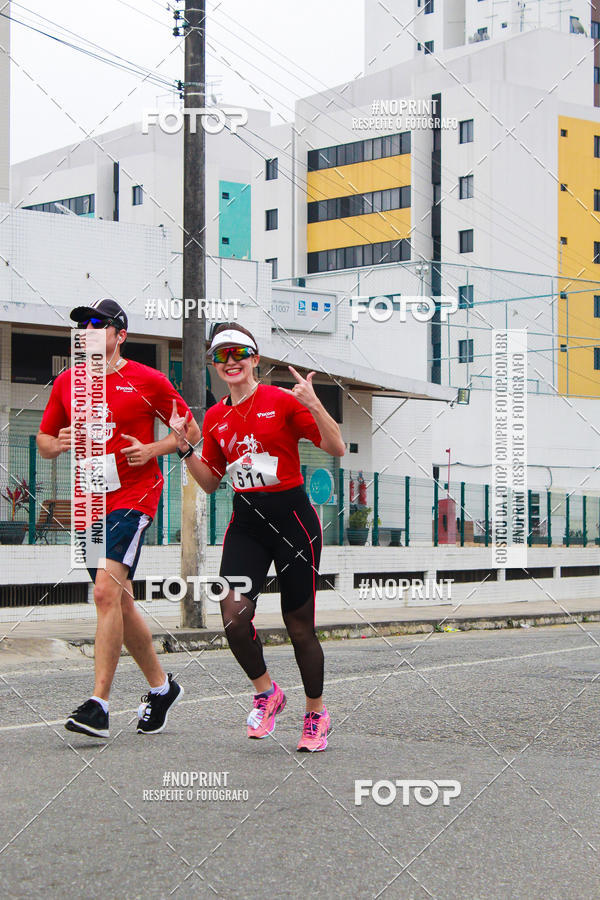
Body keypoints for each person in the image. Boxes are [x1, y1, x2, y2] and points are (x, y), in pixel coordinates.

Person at [170, 323, 345, 751]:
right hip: (246, 522)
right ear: (215, 365)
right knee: (232, 614)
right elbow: (211, 481)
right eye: (221, 356)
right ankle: (267, 693)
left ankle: (315, 713)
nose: (230, 363)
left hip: (293, 522)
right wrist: (184, 448)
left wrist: (315, 404)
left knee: (298, 625)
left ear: (254, 360)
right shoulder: (215, 416)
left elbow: (336, 446)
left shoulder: (280, 401)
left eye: (238, 354)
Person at [37, 299, 201, 739]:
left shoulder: (148, 379)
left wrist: (152, 450)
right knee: (119, 601)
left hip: (135, 497)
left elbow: (191, 431)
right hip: (89, 502)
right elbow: (43, 442)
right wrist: (59, 442)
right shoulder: (68, 383)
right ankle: (162, 688)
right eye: (82, 325)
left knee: (105, 592)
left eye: (96, 324)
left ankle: (99, 705)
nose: (87, 330)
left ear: (119, 335)